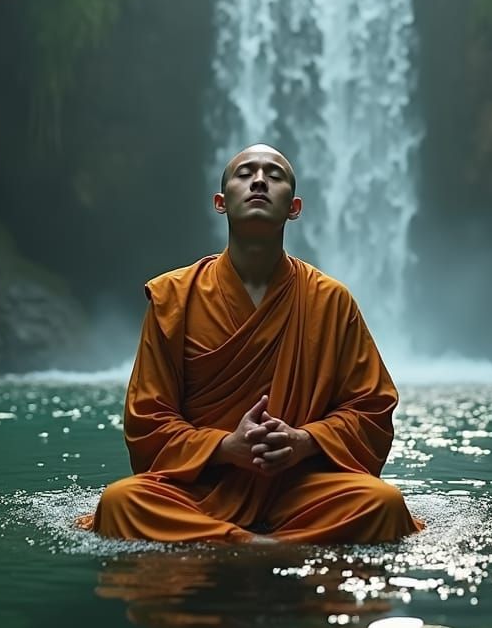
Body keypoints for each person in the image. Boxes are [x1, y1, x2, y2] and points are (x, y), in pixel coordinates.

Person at [75, 143, 422, 544]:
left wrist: (303, 442)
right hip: (203, 488)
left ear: (294, 207)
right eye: (245, 173)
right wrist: (226, 447)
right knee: (120, 502)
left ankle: (228, 546)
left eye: (274, 176)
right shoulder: (175, 297)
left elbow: (371, 409)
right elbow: (147, 420)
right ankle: (276, 548)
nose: (259, 181)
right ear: (221, 202)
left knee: (384, 503)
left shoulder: (330, 300)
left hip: (300, 488)